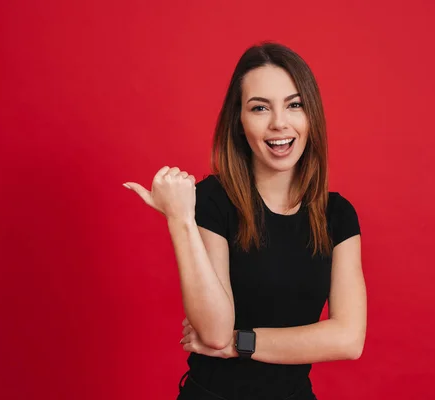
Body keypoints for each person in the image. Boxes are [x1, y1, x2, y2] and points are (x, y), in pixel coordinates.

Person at [123, 42, 366, 400]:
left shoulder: (337, 215)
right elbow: (214, 332)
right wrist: (181, 220)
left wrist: (241, 343)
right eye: (260, 108)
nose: (279, 123)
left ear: (310, 115)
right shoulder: (213, 201)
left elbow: (348, 339)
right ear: (239, 121)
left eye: (294, 105)